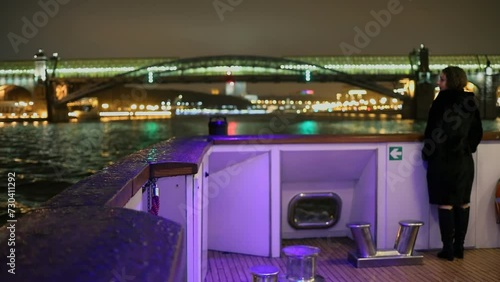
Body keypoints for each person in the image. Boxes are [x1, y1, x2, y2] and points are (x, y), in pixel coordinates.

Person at [421, 66, 483, 261]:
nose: (438, 83)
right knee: (463, 202)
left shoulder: (441, 101)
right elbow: (477, 132)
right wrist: (467, 148)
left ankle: (447, 249)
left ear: (450, 81)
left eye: (442, 79)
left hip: (443, 161)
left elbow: (432, 131)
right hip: (464, 161)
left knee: (446, 204)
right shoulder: (470, 101)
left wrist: (427, 153)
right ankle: (460, 248)